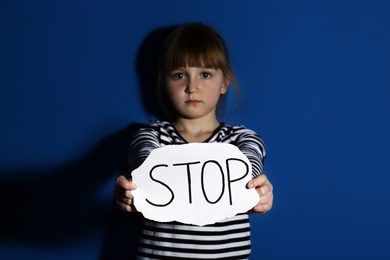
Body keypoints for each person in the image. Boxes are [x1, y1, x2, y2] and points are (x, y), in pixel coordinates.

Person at [115, 23, 274, 259]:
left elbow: (249, 170)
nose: (192, 87)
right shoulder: (152, 136)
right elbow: (144, 162)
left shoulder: (242, 139)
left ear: (224, 83)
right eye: (179, 75)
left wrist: (258, 193)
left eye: (205, 74)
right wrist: (130, 192)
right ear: (164, 82)